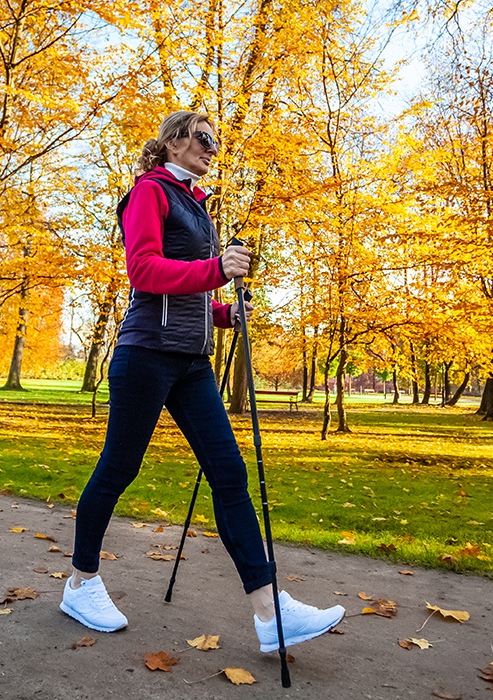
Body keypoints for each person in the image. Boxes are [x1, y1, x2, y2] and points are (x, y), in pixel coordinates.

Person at [60, 111, 344, 653]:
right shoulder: (150, 192)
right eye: (203, 138)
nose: (212, 148)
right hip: (145, 354)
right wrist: (216, 272)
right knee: (119, 468)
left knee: (229, 472)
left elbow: (185, 289)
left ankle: (270, 614)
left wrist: (220, 313)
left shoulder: (196, 204)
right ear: (172, 142)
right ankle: (80, 582)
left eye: (216, 141)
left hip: (192, 361)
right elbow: (143, 271)